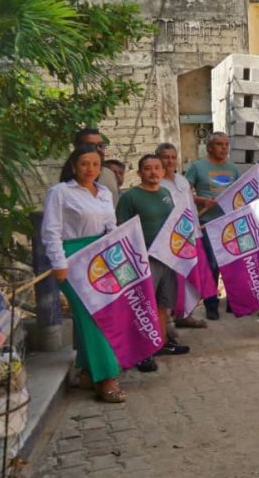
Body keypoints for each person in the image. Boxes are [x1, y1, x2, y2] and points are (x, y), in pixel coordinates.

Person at [42, 145, 125, 403]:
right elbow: (51, 230)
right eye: (84, 164)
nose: (90, 170)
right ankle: (106, 378)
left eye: (95, 165)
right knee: (93, 317)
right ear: (73, 166)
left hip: (100, 257)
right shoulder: (60, 192)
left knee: (103, 314)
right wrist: (59, 263)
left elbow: (110, 224)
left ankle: (89, 371)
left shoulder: (103, 193)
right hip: (72, 258)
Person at [115, 154, 192, 372]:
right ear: (139, 173)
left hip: (167, 257)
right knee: (143, 305)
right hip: (143, 259)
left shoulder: (166, 193)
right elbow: (121, 228)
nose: (153, 172)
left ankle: (159, 343)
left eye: (157, 168)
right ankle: (141, 352)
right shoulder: (130, 197)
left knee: (162, 303)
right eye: (148, 169)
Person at [184, 132, 241, 320]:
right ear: (209, 147)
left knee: (231, 263)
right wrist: (201, 200)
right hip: (207, 223)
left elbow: (238, 193)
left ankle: (233, 300)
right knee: (212, 265)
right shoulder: (197, 167)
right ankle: (211, 303)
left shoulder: (233, 169)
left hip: (229, 223)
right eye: (219, 144)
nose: (223, 148)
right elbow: (183, 193)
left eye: (226, 144)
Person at [156, 142, 207, 329]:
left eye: (172, 157)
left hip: (190, 235)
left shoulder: (183, 181)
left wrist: (197, 227)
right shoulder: (157, 183)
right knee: (170, 279)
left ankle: (186, 314)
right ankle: (168, 318)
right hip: (168, 239)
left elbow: (190, 206)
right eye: (165, 157)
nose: (169, 161)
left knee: (189, 274)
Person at [74, 128, 119, 208]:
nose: (98, 149)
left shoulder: (109, 174)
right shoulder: (62, 189)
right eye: (91, 145)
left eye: (101, 145)